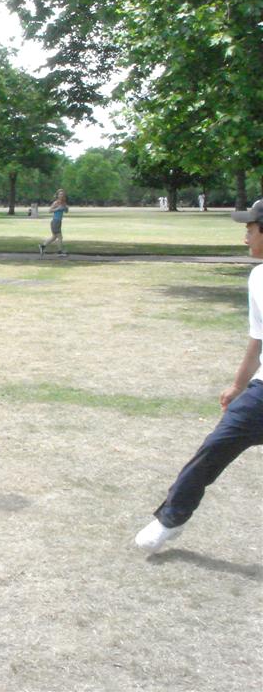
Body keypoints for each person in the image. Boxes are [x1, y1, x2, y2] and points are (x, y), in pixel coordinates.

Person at [135, 199, 263, 553]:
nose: (245, 239)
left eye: (250, 230)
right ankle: (170, 519)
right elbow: (258, 337)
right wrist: (239, 385)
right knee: (213, 449)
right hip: (262, 394)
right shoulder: (258, 277)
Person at [39, 189, 68, 257]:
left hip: (59, 222)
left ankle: (42, 246)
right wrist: (57, 208)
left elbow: (66, 211)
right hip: (55, 221)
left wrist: (66, 208)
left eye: (63, 194)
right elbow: (49, 211)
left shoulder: (63, 203)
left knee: (54, 237)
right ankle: (60, 252)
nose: (62, 195)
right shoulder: (56, 203)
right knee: (60, 237)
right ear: (57, 195)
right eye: (60, 194)